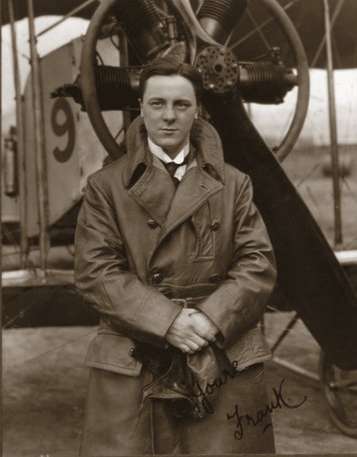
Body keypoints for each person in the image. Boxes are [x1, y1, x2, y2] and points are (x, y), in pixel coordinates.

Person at [74, 57, 277, 456]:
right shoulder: (105, 187)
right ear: (141, 107)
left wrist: (208, 319)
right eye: (157, 104)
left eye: (181, 105)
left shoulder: (235, 184)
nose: (169, 116)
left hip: (217, 345)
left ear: (197, 109)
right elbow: (95, 272)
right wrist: (166, 321)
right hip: (136, 351)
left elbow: (258, 263)